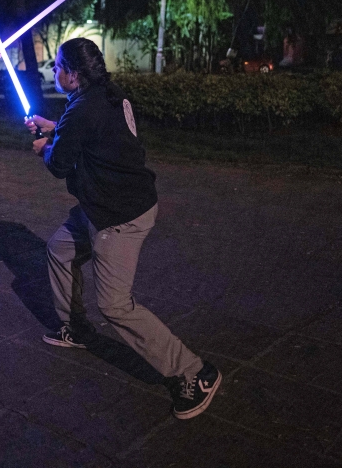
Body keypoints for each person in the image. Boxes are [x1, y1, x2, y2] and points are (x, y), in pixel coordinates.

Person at [24, 38, 221, 420]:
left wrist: (45, 146)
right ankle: (75, 328)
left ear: (74, 74)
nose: (53, 70)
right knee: (60, 249)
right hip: (109, 202)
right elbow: (88, 133)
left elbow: (58, 164)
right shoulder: (107, 94)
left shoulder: (82, 109)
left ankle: (195, 372)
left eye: (58, 65)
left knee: (114, 304)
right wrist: (55, 128)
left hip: (118, 216)